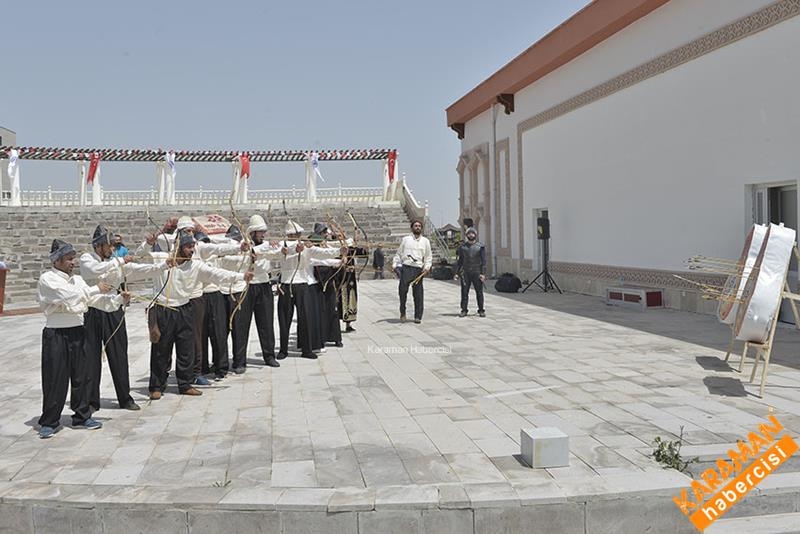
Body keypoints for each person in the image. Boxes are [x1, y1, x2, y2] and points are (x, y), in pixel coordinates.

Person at [147, 233, 253, 398]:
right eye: (188, 247)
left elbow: (216, 273)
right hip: (165, 309)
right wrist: (148, 244)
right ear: (179, 247)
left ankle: (185, 384)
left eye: (193, 247)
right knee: (162, 350)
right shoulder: (162, 259)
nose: (192, 250)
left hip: (185, 308)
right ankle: (156, 386)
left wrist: (241, 276)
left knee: (186, 349)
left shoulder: (196, 265)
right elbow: (142, 257)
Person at [80, 225, 168, 412]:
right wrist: (120, 261)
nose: (112, 248)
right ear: (98, 246)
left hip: (113, 309)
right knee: (91, 358)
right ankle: (91, 401)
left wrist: (164, 265)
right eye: (109, 245)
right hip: (92, 312)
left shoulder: (116, 262)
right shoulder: (87, 259)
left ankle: (125, 398)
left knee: (119, 355)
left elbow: (141, 270)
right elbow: (95, 270)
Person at [37, 239, 115, 438]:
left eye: (73, 258)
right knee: (55, 378)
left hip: (78, 331)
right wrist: (95, 289)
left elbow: (93, 300)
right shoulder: (47, 279)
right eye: (68, 259)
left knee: (82, 375)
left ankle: (82, 415)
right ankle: (50, 420)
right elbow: (68, 296)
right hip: (56, 334)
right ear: (57, 260)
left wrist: (118, 300)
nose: (73, 262)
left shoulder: (78, 280)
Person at [392, 220, 432, 324]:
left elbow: (428, 257)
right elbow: (399, 254)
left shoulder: (425, 241)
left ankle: (418, 316)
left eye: (419, 226)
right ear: (412, 228)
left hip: (418, 269)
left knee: (418, 295)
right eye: (415, 226)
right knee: (402, 293)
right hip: (406, 268)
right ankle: (403, 313)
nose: (417, 227)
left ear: (421, 228)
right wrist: (395, 265)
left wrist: (427, 267)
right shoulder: (406, 240)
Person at [455, 227, 486, 317]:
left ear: (475, 235)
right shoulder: (462, 247)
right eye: (469, 233)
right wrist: (457, 273)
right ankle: (464, 310)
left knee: (479, 292)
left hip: (477, 272)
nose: (471, 235)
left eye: (472, 233)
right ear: (466, 235)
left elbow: (483, 261)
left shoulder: (480, 247)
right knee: (464, 292)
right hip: (466, 272)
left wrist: (483, 273)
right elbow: (460, 261)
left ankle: (481, 310)